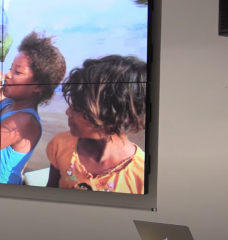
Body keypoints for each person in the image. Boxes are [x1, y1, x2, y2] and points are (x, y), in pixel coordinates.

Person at [46, 55, 147, 194]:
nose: (68, 112)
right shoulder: (60, 145)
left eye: (78, 108)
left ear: (116, 116)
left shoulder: (142, 175)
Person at [0, 31, 66, 185]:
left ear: (37, 86)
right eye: (10, 69)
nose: (8, 75)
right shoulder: (10, 102)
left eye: (17, 72)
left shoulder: (23, 121)